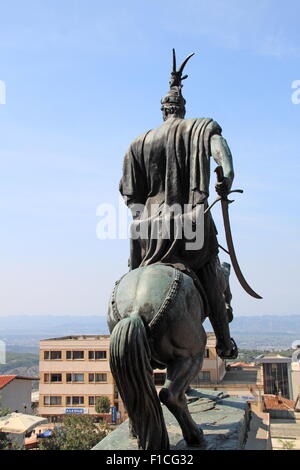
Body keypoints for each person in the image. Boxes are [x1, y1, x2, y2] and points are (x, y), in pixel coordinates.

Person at [119, 50, 237, 359]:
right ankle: (224, 341)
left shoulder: (137, 143)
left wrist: (145, 219)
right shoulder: (199, 128)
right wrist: (225, 177)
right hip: (190, 221)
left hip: (145, 230)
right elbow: (221, 154)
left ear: (162, 111)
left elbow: (130, 196)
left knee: (136, 272)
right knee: (210, 268)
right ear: (181, 109)